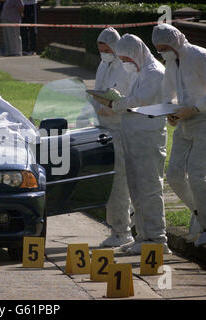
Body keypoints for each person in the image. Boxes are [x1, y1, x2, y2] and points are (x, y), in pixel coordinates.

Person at [93, 34, 169, 254]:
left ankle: (156, 238)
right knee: (136, 189)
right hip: (135, 136)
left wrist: (113, 103)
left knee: (149, 189)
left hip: (148, 138)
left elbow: (138, 102)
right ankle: (144, 236)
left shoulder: (154, 73)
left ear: (137, 53)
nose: (124, 63)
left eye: (126, 59)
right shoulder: (140, 71)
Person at [152, 23, 206, 247]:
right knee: (174, 174)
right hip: (184, 122)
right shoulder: (172, 63)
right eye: (158, 49)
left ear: (176, 41)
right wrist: (170, 111)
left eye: (165, 47)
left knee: (197, 173)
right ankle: (200, 213)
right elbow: (168, 92)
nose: (162, 52)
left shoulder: (201, 56)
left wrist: (194, 109)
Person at [84, 28, 134, 248]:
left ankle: (122, 231)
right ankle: (119, 227)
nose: (103, 53)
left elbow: (130, 99)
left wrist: (113, 107)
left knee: (120, 182)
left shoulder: (126, 67)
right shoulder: (103, 64)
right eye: (100, 49)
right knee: (112, 182)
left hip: (122, 128)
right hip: (105, 129)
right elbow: (100, 90)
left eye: (107, 49)